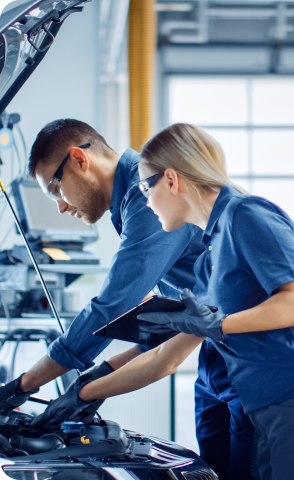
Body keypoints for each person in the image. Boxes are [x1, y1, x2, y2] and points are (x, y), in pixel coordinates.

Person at [34, 123, 294, 480]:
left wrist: (217, 324)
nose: (144, 201)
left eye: (146, 188)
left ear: (173, 181)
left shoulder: (247, 215)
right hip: (270, 406)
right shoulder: (210, 252)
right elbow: (166, 353)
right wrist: (87, 388)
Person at [2, 119, 254, 480]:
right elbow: (177, 317)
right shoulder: (134, 205)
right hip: (215, 359)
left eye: (56, 190)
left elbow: (111, 305)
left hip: (254, 361)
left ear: (79, 160)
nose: (60, 206)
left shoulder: (151, 196)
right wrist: (98, 377)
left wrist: (24, 385)